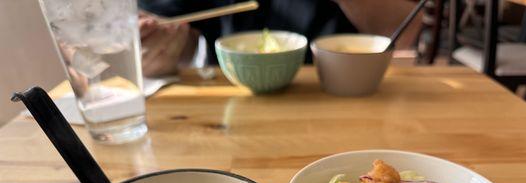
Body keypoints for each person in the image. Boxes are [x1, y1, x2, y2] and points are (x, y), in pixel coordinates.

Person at [138, 0, 423, 77]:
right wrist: (161, 49)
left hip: (342, 88)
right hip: (229, 96)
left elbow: (408, 30)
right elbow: (179, 38)